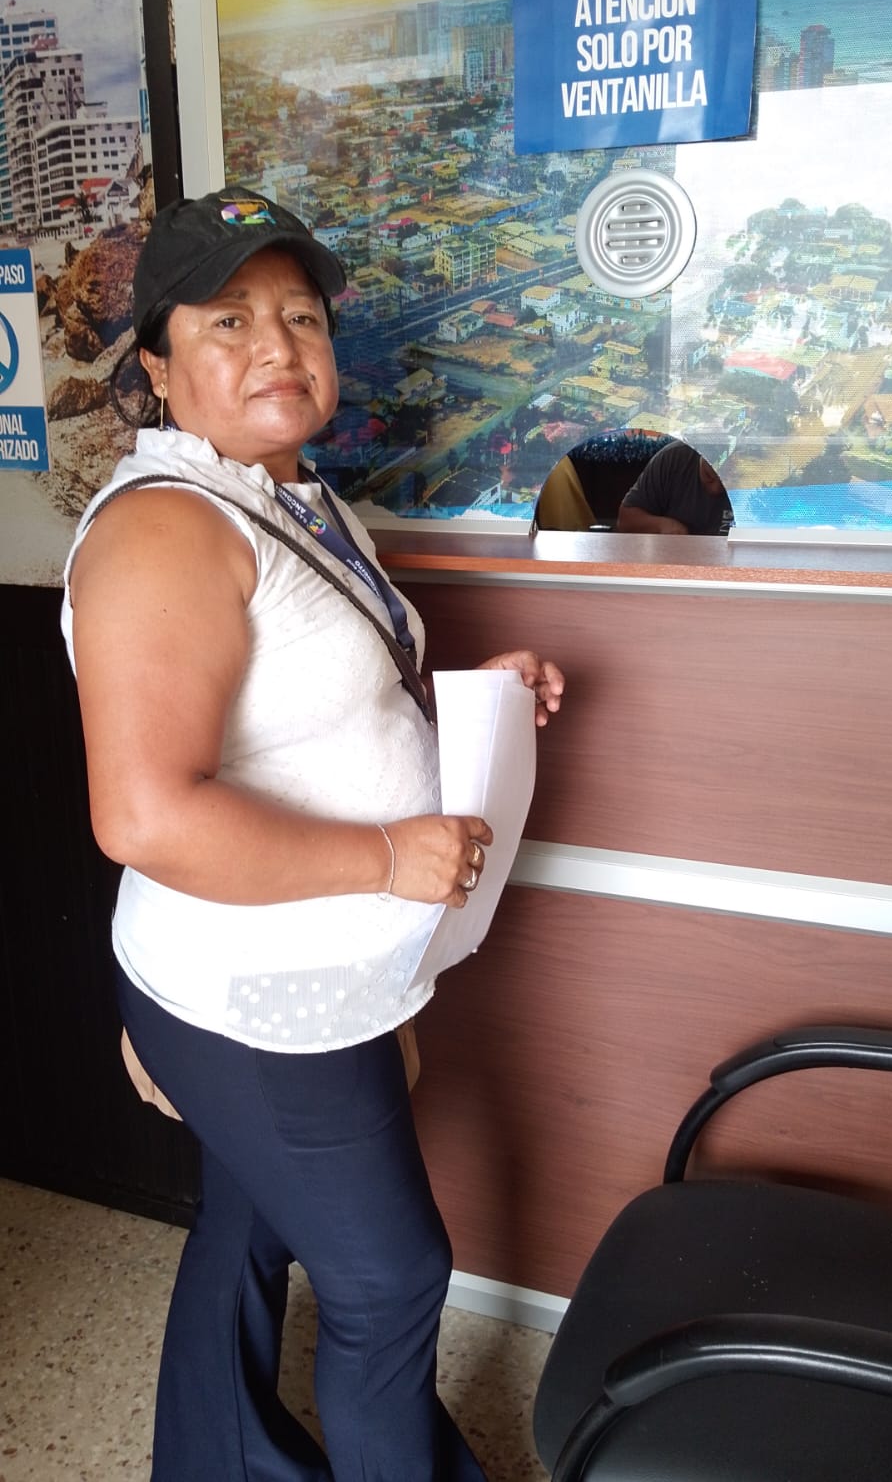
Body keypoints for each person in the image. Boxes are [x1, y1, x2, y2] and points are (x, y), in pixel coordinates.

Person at [60, 185, 565, 1482]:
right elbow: (144, 813)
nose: (277, 345)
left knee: (247, 1222)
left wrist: (470, 707)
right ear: (158, 367)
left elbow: (311, 713)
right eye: (227, 320)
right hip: (259, 990)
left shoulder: (285, 494)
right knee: (391, 1280)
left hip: (304, 963)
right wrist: (389, 859)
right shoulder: (165, 527)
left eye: (300, 315)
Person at [616, 438, 734, 536]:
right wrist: (661, 525)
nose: (716, 489)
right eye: (709, 476)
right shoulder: (673, 458)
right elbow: (625, 521)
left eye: (728, 482)